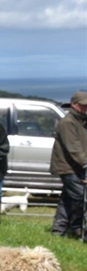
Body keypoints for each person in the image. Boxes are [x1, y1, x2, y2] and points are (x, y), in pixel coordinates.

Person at [49, 91, 87, 238]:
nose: (85, 108)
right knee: (80, 196)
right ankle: (76, 227)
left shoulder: (82, 121)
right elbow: (74, 148)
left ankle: (58, 230)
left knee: (68, 198)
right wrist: (85, 163)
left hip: (76, 166)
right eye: (83, 105)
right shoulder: (68, 122)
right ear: (74, 104)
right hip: (67, 167)